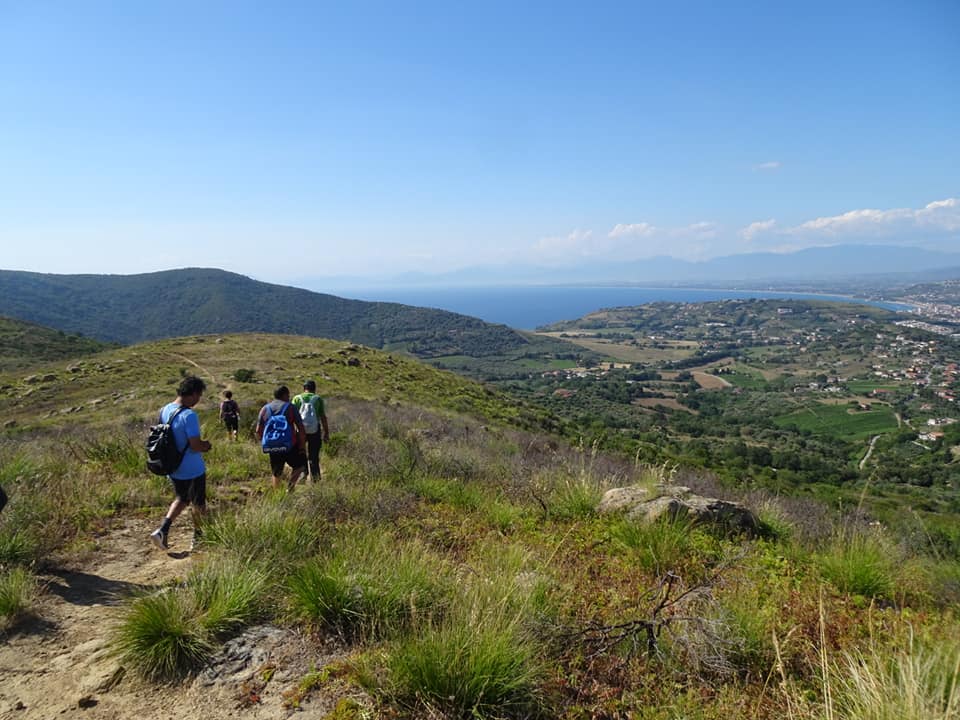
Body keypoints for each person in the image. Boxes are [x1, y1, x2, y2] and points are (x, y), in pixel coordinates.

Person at [150, 376, 212, 552]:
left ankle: (163, 530)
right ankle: (198, 538)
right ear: (192, 394)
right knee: (199, 504)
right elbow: (195, 445)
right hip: (192, 469)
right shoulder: (189, 415)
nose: (198, 400)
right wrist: (206, 445)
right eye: (198, 396)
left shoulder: (165, 409)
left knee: (182, 498)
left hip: (173, 467)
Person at [256, 385, 307, 492]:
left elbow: (258, 431)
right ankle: (290, 487)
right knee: (299, 466)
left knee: (276, 472)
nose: (289, 397)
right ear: (284, 395)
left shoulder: (265, 409)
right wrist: (302, 446)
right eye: (288, 395)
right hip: (290, 445)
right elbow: (301, 429)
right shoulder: (291, 407)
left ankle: (277, 495)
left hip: (272, 446)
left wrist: (267, 442)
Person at [291, 379, 330, 482]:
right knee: (314, 455)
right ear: (314, 389)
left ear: (304, 389)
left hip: (300, 431)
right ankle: (316, 478)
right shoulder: (318, 399)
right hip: (314, 430)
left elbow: (292, 416)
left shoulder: (296, 398)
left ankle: (303, 475)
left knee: (301, 453)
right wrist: (326, 432)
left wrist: (293, 432)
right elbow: (323, 417)